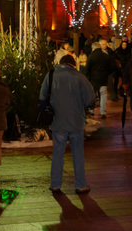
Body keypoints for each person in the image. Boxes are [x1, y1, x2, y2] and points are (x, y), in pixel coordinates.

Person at [40, 54, 96, 194]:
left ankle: (55, 184)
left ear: (61, 63)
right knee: (78, 154)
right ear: (72, 64)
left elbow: (42, 96)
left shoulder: (51, 75)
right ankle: (80, 185)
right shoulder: (80, 78)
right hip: (76, 122)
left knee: (58, 153)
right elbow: (90, 98)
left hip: (58, 122)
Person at [85, 38, 116, 118]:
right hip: (103, 78)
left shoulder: (91, 56)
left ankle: (91, 110)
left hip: (93, 78)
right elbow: (112, 67)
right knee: (103, 94)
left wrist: (85, 76)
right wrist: (107, 73)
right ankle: (103, 112)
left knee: (93, 94)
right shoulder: (106, 56)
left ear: (94, 48)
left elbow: (87, 68)